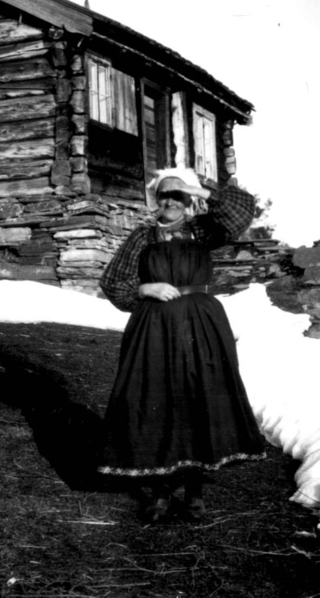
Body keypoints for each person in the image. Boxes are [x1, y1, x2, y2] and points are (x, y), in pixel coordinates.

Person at [98, 167, 267, 522]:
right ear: (155, 201)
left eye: (179, 196)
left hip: (201, 325)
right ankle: (160, 490)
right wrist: (144, 289)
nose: (171, 202)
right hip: (155, 326)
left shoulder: (203, 231)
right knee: (158, 397)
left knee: (199, 396)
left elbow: (242, 210)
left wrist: (197, 189)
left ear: (189, 200)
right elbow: (112, 281)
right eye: (165, 196)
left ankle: (194, 489)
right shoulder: (142, 237)